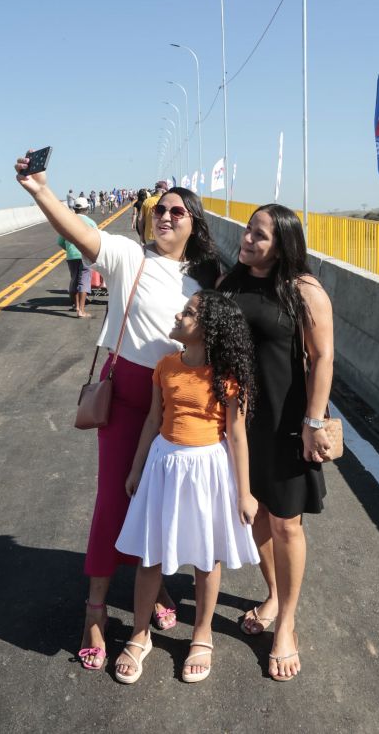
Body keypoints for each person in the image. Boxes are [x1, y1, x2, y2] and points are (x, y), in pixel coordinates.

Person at [14, 153, 220, 671]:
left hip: (179, 405)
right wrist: (41, 191)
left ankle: (156, 590)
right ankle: (95, 610)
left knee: (161, 505)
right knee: (114, 501)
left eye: (177, 211)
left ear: (194, 224)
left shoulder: (207, 281)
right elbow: (80, 232)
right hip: (128, 396)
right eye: (159, 209)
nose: (165, 215)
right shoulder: (131, 257)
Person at [113, 290, 259, 684]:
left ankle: (202, 634)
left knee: (207, 558)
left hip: (208, 470)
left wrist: (244, 492)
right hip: (164, 465)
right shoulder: (165, 366)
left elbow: (237, 436)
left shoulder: (227, 378)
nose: (179, 315)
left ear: (208, 329)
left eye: (189, 313)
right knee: (150, 555)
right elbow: (152, 420)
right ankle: (139, 634)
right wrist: (136, 468)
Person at [217, 204, 334, 682]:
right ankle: (272, 594)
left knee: (286, 523)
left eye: (259, 235)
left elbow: (322, 357)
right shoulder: (230, 282)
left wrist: (313, 421)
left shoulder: (304, 290)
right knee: (257, 516)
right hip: (239, 423)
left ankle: (286, 623)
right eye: (247, 230)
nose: (247, 239)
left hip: (286, 422)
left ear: (282, 245)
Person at [57, 198, 98, 318]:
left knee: (74, 280)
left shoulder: (67, 222)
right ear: (87, 208)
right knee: (84, 281)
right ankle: (81, 311)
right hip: (85, 255)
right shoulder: (91, 222)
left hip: (71, 256)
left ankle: (76, 305)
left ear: (74, 209)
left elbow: (60, 241)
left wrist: (70, 250)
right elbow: (96, 240)